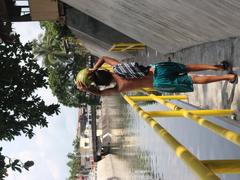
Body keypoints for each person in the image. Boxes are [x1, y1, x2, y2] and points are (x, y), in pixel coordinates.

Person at [75, 56, 238, 96]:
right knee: (188, 67)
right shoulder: (118, 67)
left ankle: (228, 78)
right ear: (102, 71)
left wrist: (88, 89)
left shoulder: (120, 88)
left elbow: (102, 93)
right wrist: (92, 68)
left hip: (159, 83)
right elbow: (103, 57)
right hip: (158, 70)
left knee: (193, 80)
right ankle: (218, 66)